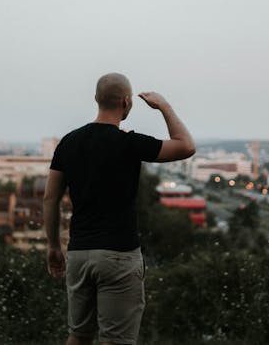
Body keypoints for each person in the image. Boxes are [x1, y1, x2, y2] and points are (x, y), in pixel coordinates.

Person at [43, 72, 195, 345]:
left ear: (96, 100)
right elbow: (186, 146)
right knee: (116, 341)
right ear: (126, 102)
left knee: (78, 336)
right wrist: (163, 106)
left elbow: (50, 199)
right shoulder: (130, 143)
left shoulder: (68, 143)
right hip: (119, 255)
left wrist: (53, 245)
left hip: (79, 253)